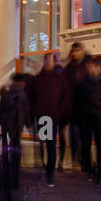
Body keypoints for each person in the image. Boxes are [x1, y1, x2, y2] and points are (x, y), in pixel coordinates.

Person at [28, 52, 70, 188]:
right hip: (42, 117)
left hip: (52, 118)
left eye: (50, 61)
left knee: (51, 145)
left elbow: (65, 97)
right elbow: (31, 97)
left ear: (53, 62)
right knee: (42, 144)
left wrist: (58, 112)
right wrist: (36, 110)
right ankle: (45, 168)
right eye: (45, 61)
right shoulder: (37, 79)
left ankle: (49, 174)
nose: (47, 63)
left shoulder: (59, 79)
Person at [74, 58, 101, 183]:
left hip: (98, 119)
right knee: (86, 146)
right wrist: (79, 117)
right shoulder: (83, 83)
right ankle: (90, 170)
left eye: (93, 67)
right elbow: (76, 102)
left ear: (99, 68)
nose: (91, 69)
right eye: (90, 67)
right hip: (86, 119)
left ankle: (98, 173)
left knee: (99, 147)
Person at [58, 41, 88, 170]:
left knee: (82, 135)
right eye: (74, 51)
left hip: (83, 107)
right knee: (73, 135)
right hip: (70, 108)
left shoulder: (86, 67)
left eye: (78, 50)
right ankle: (73, 159)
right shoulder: (68, 69)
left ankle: (81, 160)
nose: (76, 53)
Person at [0, 70, 32, 187]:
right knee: (16, 144)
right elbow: (27, 109)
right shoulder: (23, 93)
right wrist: (28, 123)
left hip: (7, 123)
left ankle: (9, 167)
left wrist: (1, 121)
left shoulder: (7, 93)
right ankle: (15, 170)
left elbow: (1, 108)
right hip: (18, 123)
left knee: (8, 144)